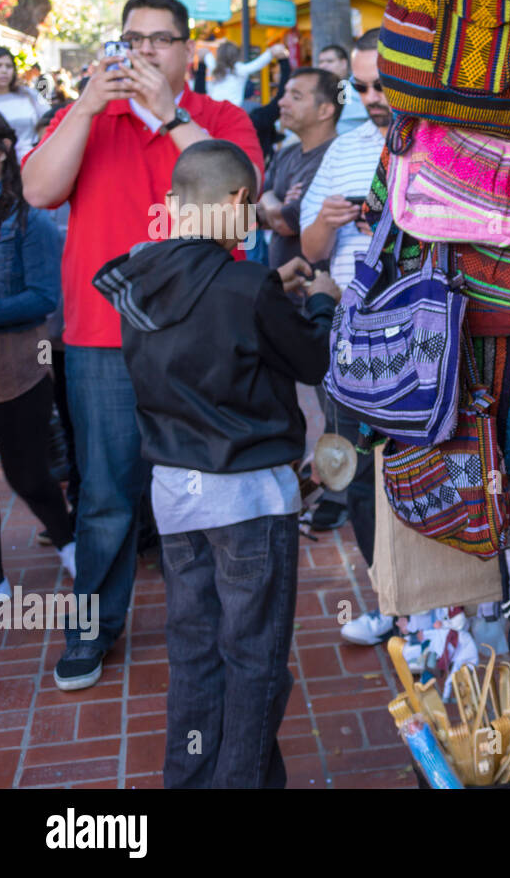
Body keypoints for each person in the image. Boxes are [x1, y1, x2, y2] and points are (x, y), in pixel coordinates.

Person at [23, 0, 266, 692]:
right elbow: (39, 191)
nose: (147, 51)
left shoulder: (214, 120)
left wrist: (169, 115)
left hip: (204, 337)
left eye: (163, 39)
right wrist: (87, 108)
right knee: (105, 491)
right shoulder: (88, 118)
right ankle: (93, 627)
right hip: (103, 337)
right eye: (135, 38)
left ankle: (233, 625)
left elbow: (238, 203)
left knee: (215, 484)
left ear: (188, 50)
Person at [92, 140, 339, 788]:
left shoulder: (140, 274)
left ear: (176, 204)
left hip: (176, 492)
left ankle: (192, 778)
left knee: (198, 654)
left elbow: (208, 318)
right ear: (237, 201)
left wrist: (269, 294)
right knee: (254, 660)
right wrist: (320, 302)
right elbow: (314, 361)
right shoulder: (245, 285)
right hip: (248, 499)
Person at [299, 28, 402, 648]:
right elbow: (312, 254)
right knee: (359, 473)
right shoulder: (343, 150)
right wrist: (323, 222)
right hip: (351, 338)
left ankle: (451, 608)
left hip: (428, 338)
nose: (370, 96)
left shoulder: (443, 141)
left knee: (443, 466)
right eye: (359, 86)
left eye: (382, 84)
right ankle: (388, 598)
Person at [0, 111, 76, 599]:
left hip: (17, 369)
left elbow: (45, 296)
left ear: (2, 149)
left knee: (28, 473)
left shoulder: (26, 216)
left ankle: (68, 543)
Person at [258, 68, 340, 269]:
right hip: (282, 288)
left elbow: (286, 223)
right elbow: (256, 215)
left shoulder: (337, 157)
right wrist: (272, 202)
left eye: (296, 96)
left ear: (325, 111)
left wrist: (268, 199)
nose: (281, 102)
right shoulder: (285, 153)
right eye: (285, 93)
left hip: (319, 289)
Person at [0, 47, 50, 161]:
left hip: (32, 162)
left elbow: (49, 118)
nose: (4, 70)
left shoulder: (29, 94)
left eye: (8, 66)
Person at [204, 39, 289, 107]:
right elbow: (258, 63)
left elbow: (205, 53)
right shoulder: (240, 69)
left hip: (214, 108)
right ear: (236, 54)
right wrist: (271, 52)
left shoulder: (215, 68)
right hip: (232, 110)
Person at [315, 43, 368, 136]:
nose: (323, 66)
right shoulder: (315, 91)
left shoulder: (360, 88)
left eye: (329, 61)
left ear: (344, 63)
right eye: (321, 62)